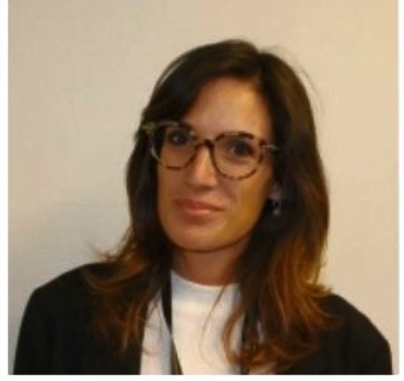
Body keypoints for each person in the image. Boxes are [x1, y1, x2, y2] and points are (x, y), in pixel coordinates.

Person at [13, 39, 392, 375]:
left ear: (280, 181)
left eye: (238, 149)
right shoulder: (62, 317)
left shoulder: (353, 351)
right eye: (180, 138)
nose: (198, 175)